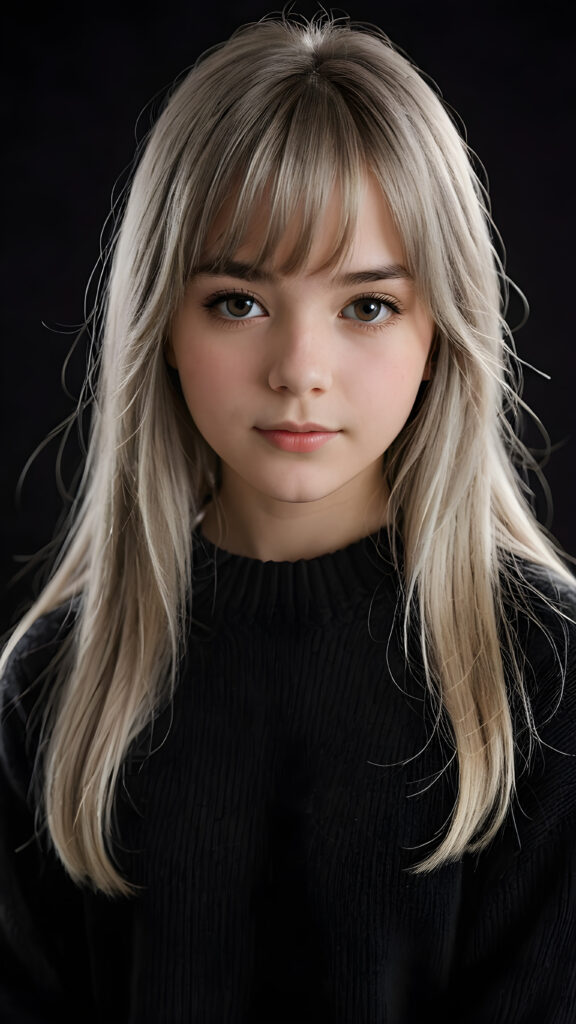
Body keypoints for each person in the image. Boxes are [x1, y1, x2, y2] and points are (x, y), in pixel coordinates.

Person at [1, 12, 575, 1023]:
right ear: (161, 327)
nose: (299, 372)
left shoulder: (542, 669)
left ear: (441, 329)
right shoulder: (55, 681)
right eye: (237, 300)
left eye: (366, 306)